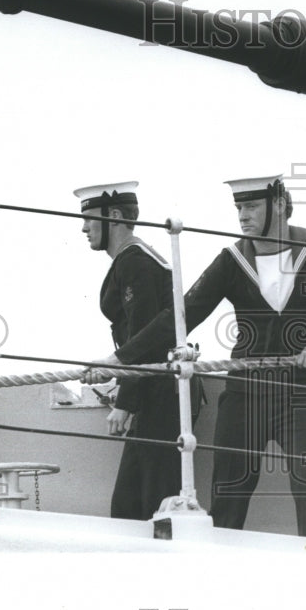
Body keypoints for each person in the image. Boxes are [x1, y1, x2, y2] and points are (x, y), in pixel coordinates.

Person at [102, 174, 306, 539]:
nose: (242, 216)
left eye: (251, 206)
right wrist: (120, 358)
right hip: (244, 393)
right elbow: (182, 314)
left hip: (301, 393)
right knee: (229, 493)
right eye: (239, 207)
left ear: (280, 205)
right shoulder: (233, 259)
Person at [76, 181, 202, 520]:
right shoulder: (135, 258)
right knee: (130, 508)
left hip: (160, 394)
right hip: (155, 390)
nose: (84, 227)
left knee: (151, 507)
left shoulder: (135, 261)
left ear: (114, 216)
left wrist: (125, 403)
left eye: (89, 218)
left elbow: (145, 334)